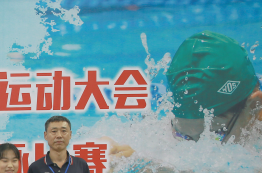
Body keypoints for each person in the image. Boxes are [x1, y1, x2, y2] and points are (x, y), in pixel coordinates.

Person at [108, 31, 261, 163]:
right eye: (182, 137)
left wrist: (147, 166)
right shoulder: (166, 127)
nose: (198, 153)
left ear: (255, 108)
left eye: (214, 137)